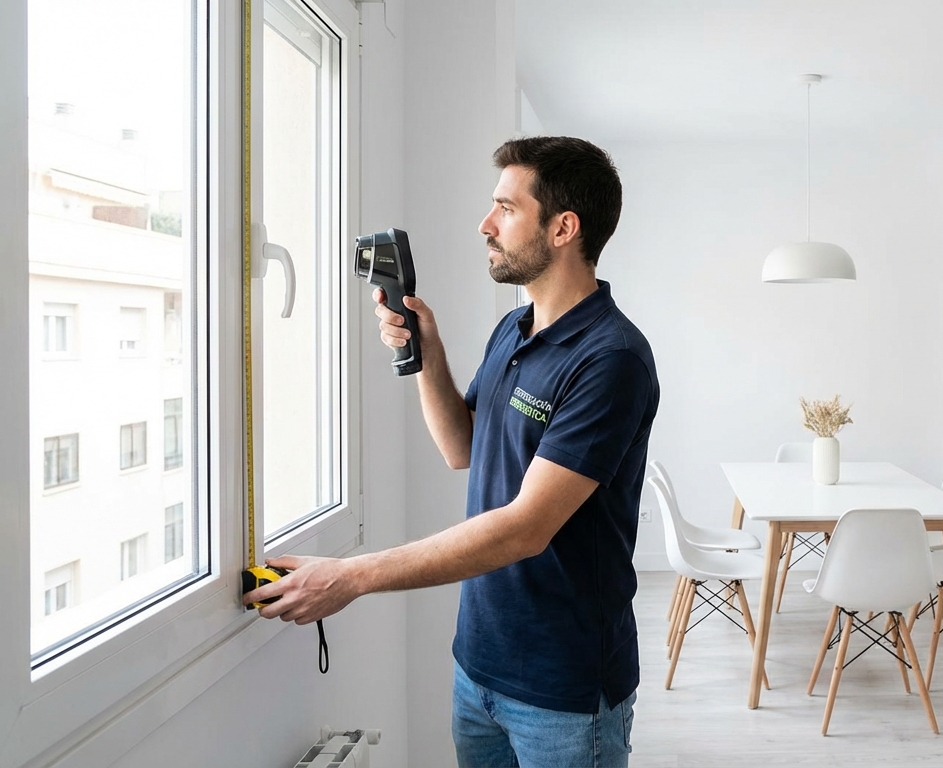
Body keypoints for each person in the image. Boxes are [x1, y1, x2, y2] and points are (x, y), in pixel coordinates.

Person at [245, 136, 659, 767]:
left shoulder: (611, 359)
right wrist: (427, 353)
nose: (485, 224)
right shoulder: (515, 328)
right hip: (479, 662)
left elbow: (525, 528)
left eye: (506, 209)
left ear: (562, 228)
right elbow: (461, 447)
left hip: (564, 689)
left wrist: (349, 577)